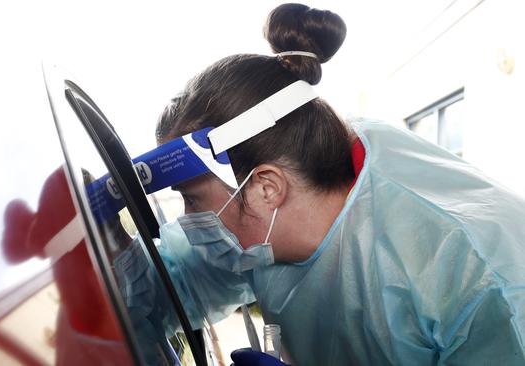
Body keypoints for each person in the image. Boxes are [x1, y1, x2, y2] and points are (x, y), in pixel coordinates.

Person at [125, 2, 525, 365]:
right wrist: (104, 238)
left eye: (193, 201)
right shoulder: (265, 226)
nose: (189, 224)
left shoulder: (471, 276)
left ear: (266, 187)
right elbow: (169, 289)